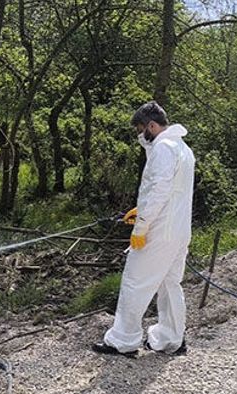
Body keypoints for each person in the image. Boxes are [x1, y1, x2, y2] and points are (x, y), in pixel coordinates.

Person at [92, 101, 195, 356]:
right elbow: (172, 192)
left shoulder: (162, 147)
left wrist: (141, 226)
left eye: (141, 128)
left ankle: (123, 341)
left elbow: (157, 191)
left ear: (151, 125)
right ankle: (172, 339)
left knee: (134, 282)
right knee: (170, 283)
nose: (141, 135)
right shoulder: (183, 148)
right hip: (179, 231)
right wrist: (141, 211)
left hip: (159, 231)